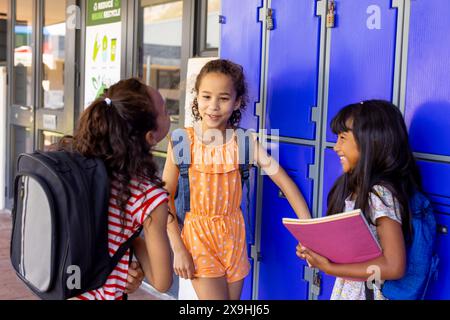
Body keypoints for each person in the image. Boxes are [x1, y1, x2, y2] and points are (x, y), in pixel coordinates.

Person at [163, 59, 311, 300]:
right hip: (197, 235)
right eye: (206, 96)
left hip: (234, 235)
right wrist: (177, 247)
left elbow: (284, 182)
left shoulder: (244, 142)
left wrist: (308, 232)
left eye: (223, 98)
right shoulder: (182, 141)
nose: (213, 106)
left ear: (237, 102)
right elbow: (164, 199)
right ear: (196, 98)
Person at [297, 100, 423, 300]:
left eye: (342, 138)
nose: (336, 147)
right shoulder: (353, 188)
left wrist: (330, 268)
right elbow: (353, 250)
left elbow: (394, 266)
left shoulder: (379, 195)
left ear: (369, 142)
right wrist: (316, 252)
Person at [61, 78, 173, 300]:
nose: (169, 114)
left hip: (62, 289)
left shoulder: (76, 166)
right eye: (165, 111)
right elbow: (162, 281)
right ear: (150, 137)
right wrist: (133, 241)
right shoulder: (147, 196)